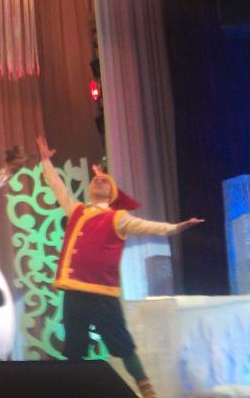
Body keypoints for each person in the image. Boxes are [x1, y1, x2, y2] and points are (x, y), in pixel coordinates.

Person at [36, 135, 204, 398]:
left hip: (103, 293)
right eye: (96, 180)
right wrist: (46, 161)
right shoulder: (76, 210)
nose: (99, 181)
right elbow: (58, 187)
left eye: (104, 180)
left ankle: (145, 388)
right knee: (74, 347)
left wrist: (176, 228)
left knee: (122, 344)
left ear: (112, 193)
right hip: (75, 291)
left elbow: (148, 226)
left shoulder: (118, 218)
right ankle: (72, 390)